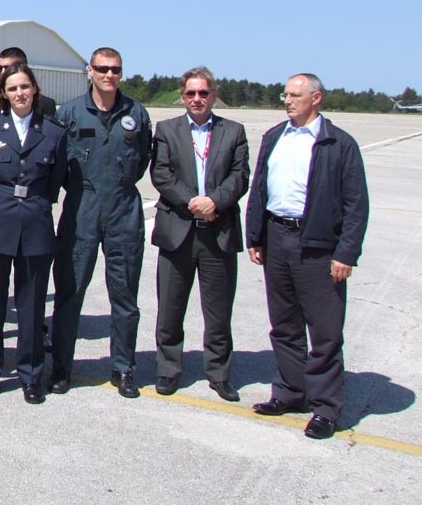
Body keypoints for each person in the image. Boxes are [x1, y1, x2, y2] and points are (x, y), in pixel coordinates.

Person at [246, 73, 369, 440]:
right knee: (284, 324)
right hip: (276, 238)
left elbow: (356, 204)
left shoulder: (338, 143)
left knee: (325, 331)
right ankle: (289, 392)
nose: (288, 101)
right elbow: (260, 187)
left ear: (316, 98)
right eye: (285, 95)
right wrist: (255, 235)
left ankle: (326, 408)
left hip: (317, 245)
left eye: (295, 95)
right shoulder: (275, 136)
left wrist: (345, 253)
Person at [49, 46, 151, 398]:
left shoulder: (136, 113)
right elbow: (59, 164)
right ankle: (61, 367)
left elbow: (142, 160)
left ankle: (123, 367)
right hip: (82, 208)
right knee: (69, 293)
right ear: (90, 71)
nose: (109, 75)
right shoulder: (70, 113)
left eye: (116, 69)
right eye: (103, 69)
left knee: (125, 295)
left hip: (124, 209)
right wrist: (84, 191)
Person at [0, 65, 66, 403]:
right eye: (12, 88)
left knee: (32, 306)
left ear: (35, 90)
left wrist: (35, 202)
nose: (20, 93)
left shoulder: (53, 132)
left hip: (35, 220)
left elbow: (54, 182)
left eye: (25, 87)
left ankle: (31, 375)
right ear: (3, 94)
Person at [149, 66, 250, 401]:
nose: (197, 99)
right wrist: (193, 202)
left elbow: (240, 176)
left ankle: (219, 373)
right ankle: (168, 369)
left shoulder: (233, 131)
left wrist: (214, 201)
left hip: (218, 232)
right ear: (182, 97)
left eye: (203, 93)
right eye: (190, 93)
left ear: (214, 96)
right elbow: (161, 173)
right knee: (170, 308)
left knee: (218, 312)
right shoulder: (167, 130)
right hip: (178, 230)